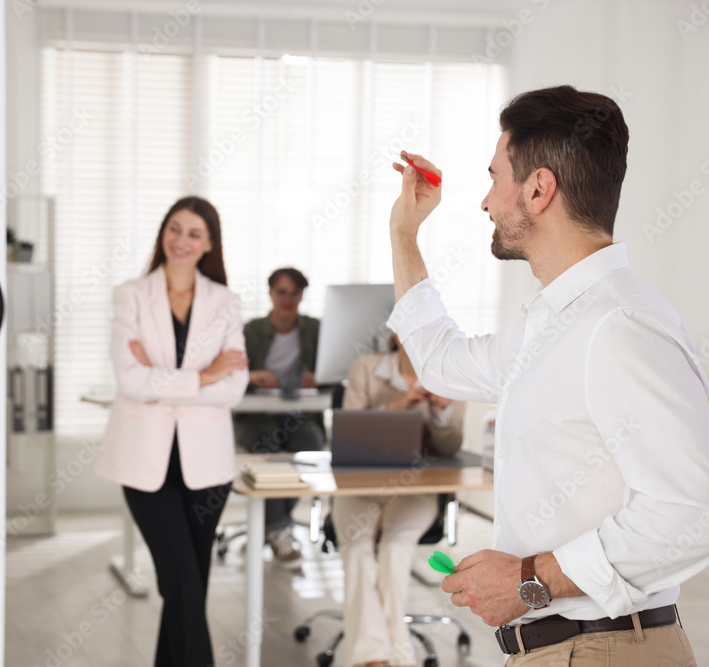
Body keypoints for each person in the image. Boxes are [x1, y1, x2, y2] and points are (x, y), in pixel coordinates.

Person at [386, 86, 709, 665]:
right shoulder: (550, 326)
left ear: (539, 189)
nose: (485, 202)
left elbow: (699, 514)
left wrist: (530, 579)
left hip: (604, 650)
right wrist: (405, 234)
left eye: (495, 177)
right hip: (562, 649)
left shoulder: (619, 325)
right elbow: (440, 362)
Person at [94, 196, 249, 667]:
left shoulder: (225, 302)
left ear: (209, 245)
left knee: (188, 587)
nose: (181, 241)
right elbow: (129, 379)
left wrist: (161, 381)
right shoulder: (132, 295)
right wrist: (204, 375)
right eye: (174, 228)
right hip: (145, 465)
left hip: (208, 470)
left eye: (194, 233)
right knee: (182, 581)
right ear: (163, 232)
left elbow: (235, 387)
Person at [333, 334, 466, 667]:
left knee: (395, 546)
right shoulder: (367, 368)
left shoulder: (447, 374)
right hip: (358, 485)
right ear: (396, 333)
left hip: (415, 488)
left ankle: (392, 656)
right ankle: (378, 658)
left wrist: (442, 410)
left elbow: (450, 447)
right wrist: (397, 408)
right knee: (357, 546)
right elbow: (349, 430)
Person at [233, 267, 326, 565]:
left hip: (298, 413)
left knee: (307, 445)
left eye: (294, 293)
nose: (288, 299)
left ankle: (270, 528)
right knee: (268, 448)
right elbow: (230, 372)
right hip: (256, 415)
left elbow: (336, 371)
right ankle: (277, 530)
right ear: (270, 293)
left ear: (302, 296)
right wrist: (252, 375)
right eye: (281, 292)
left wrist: (318, 376)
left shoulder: (315, 329)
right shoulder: (251, 330)